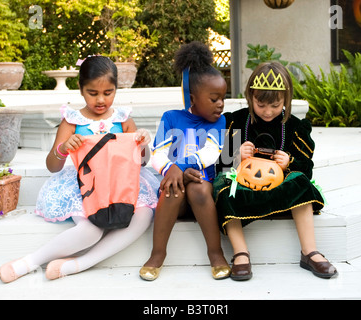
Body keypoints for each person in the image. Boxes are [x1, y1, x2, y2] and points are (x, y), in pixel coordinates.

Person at [0, 55, 159, 283]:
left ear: (116, 89)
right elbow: (52, 166)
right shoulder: (73, 121)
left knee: (143, 215)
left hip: (120, 183)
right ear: (81, 89)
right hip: (86, 185)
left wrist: (143, 144)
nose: (101, 99)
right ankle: (29, 262)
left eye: (108, 92)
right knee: (91, 229)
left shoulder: (123, 119)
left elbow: (140, 162)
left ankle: (80, 264)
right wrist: (64, 148)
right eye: (93, 93)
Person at [213, 61, 337, 280]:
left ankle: (309, 251)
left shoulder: (295, 127)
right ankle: (241, 252)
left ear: (286, 101)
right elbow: (219, 166)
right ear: (250, 96)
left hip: (280, 190)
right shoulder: (237, 121)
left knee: (299, 181)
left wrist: (288, 162)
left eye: (275, 105)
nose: (268, 111)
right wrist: (235, 155)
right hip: (244, 189)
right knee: (224, 186)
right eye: (261, 105)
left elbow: (307, 169)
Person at [139, 42, 230, 281]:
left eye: (223, 97)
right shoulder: (171, 118)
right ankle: (157, 254)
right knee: (171, 187)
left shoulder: (218, 122)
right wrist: (172, 169)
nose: (220, 104)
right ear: (193, 98)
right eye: (214, 99)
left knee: (198, 187)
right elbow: (157, 153)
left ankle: (216, 253)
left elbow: (211, 152)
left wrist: (182, 166)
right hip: (175, 188)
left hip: (202, 185)